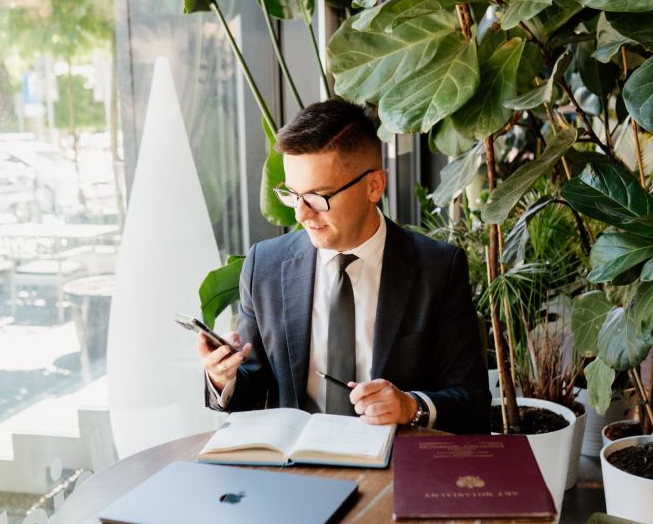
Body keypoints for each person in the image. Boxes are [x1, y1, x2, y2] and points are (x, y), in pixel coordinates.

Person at [198, 99, 490, 434]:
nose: (301, 214)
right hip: (295, 469)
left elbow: (472, 400)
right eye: (293, 195)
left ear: (373, 186)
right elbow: (254, 388)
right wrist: (224, 378)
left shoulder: (437, 268)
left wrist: (410, 406)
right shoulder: (264, 266)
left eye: (319, 197)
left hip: (394, 467)